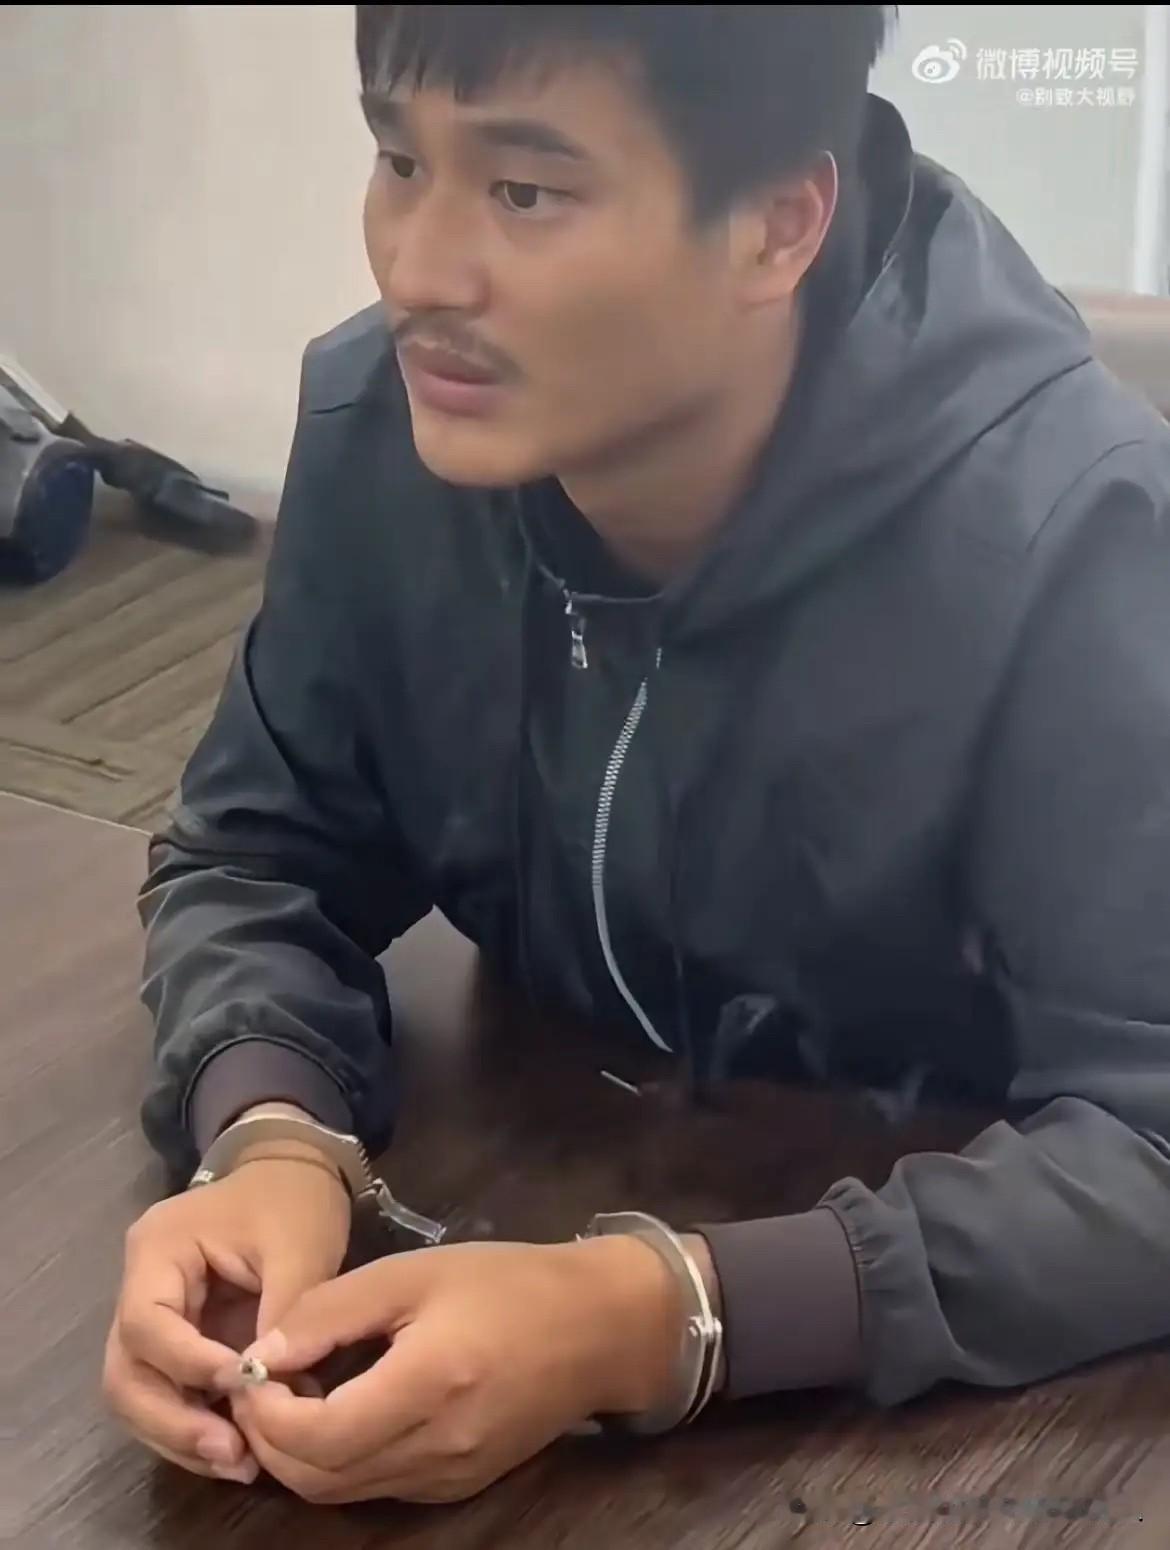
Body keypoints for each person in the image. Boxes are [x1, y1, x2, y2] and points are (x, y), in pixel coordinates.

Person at [104, 1, 1170, 1507]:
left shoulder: (1073, 539)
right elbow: (254, 849)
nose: (417, 272)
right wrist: (271, 1135)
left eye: (525, 190)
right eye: (399, 161)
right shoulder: (380, 436)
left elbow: (1153, 1141)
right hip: (553, 1152)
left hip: (962, 1428)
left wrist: (657, 1317)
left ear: (777, 224)